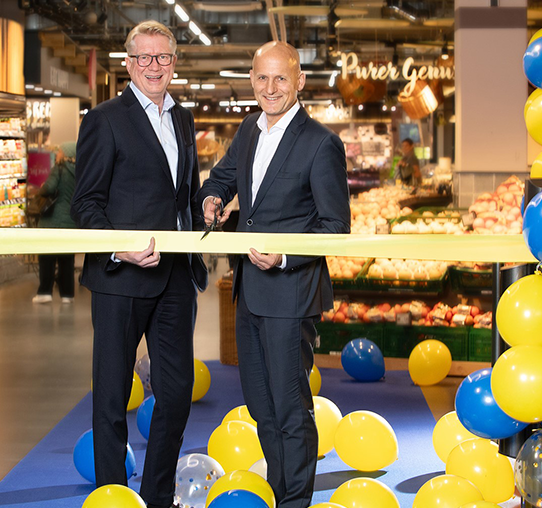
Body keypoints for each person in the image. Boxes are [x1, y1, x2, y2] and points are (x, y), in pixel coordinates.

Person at [198, 41, 351, 508]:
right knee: (262, 408)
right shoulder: (247, 130)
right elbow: (222, 179)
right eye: (262, 78)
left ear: (299, 81)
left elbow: (334, 227)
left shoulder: (321, 143)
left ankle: (294, 501)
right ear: (251, 80)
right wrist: (212, 199)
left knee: (289, 408)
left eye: (281, 78)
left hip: (290, 291)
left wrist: (284, 256)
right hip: (249, 291)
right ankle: (282, 490)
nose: (271, 88)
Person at [70, 20, 208, 508]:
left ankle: (157, 494)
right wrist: (118, 246)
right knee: (111, 395)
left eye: (163, 58)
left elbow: (185, 194)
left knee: (175, 393)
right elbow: (85, 203)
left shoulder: (184, 119)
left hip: (174, 277)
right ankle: (113, 495)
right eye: (144, 58)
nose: (154, 66)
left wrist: (204, 218)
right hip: (120, 278)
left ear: (174, 63)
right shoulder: (105, 119)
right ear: (128, 64)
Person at [33, 142, 77, 304]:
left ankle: (45, 291)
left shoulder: (59, 168)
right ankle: (67, 295)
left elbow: (49, 188)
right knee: (67, 259)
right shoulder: (80, 171)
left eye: (59, 151)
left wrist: (42, 187)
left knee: (47, 257)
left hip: (52, 220)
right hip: (70, 220)